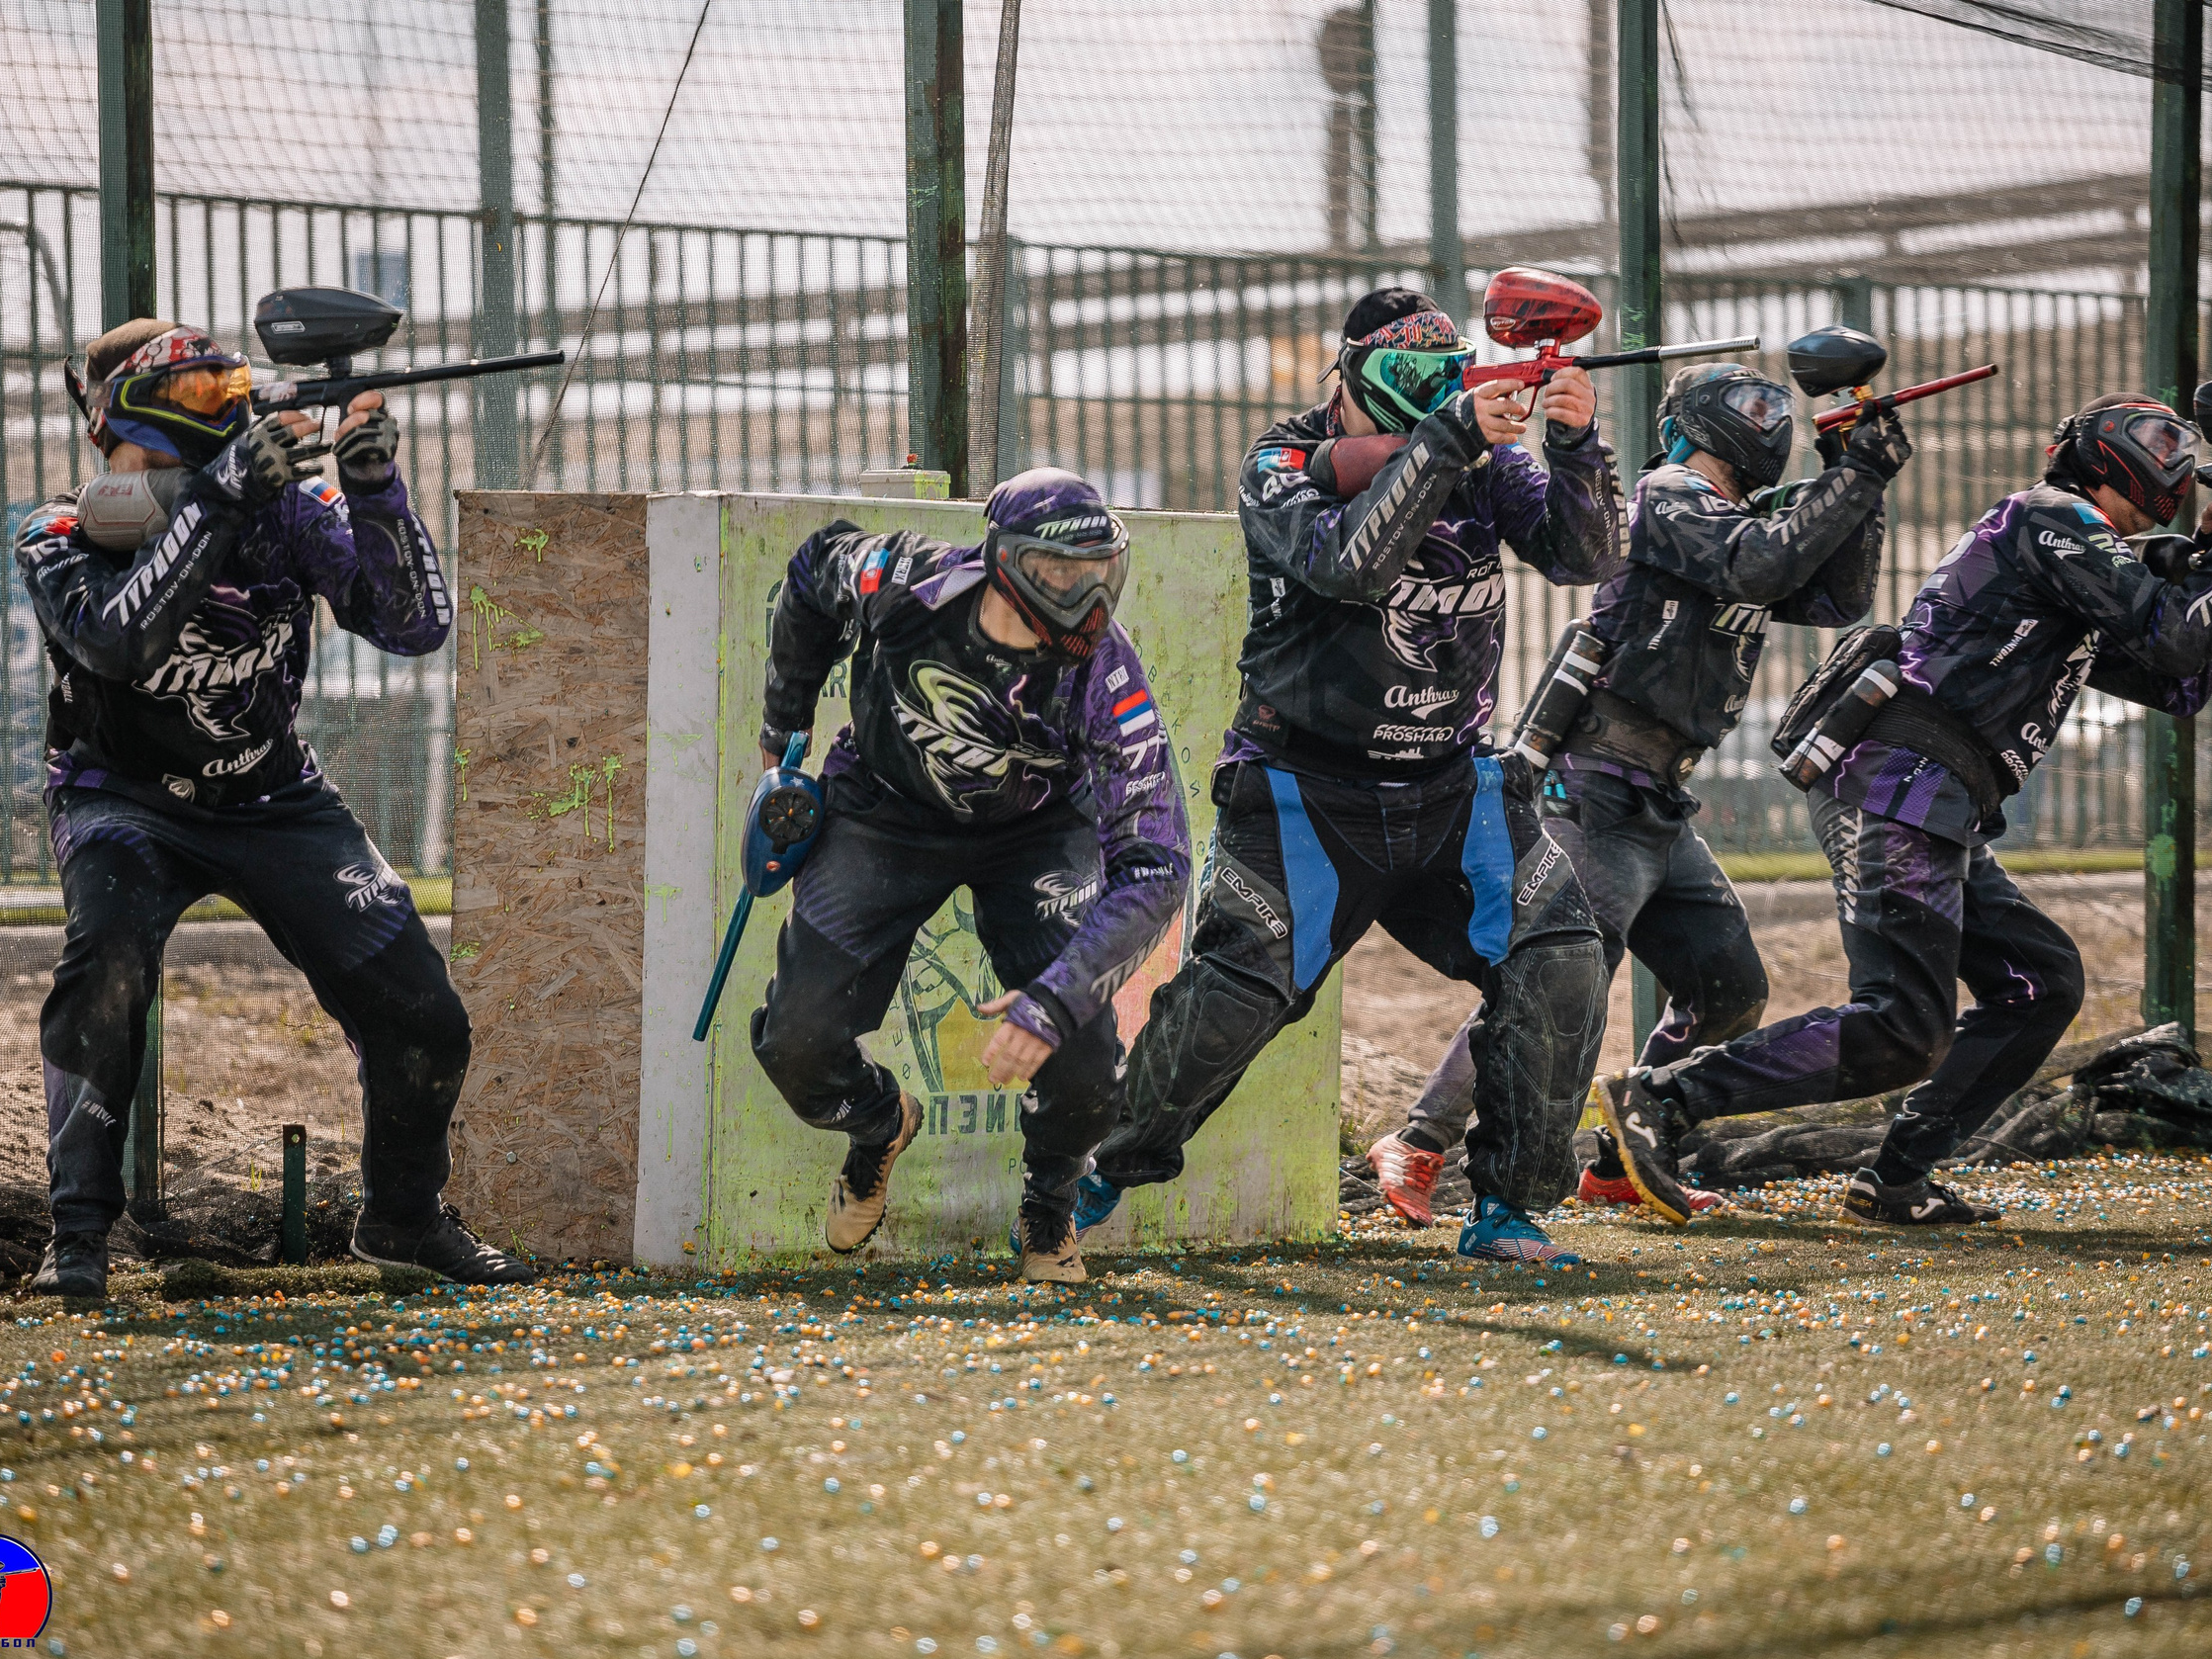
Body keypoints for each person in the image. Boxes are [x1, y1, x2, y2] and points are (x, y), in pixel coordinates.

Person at [1592, 393, 2212, 1226]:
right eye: (2159, 439)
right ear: (2107, 453)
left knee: (2040, 982)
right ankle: (1662, 1096)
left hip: (1937, 801)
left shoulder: (2083, 558)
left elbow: (2179, 673)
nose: (2176, 457)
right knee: (1903, 1025)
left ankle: (1896, 1175)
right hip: (1899, 784)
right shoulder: (2050, 516)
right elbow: (2178, 636)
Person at [1080, 287, 1623, 1266]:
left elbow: (1586, 555)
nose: (1434, 398)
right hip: (1302, 790)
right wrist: (1450, 439)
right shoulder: (1278, 463)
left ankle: (1506, 1209)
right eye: (1412, 382)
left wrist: (1577, 445)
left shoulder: (1481, 463)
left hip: (1452, 790)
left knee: (1560, 961)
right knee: (1231, 1000)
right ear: (1354, 377)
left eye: (1446, 379)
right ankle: (1095, 1168)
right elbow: (1350, 568)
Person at [17, 319, 530, 1297]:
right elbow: (117, 645)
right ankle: (76, 1238)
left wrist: (373, 486)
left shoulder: (284, 509)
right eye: (192, 405)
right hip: (120, 800)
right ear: (114, 430)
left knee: (423, 1010)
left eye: (225, 398)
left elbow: (412, 624)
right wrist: (221, 495)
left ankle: (404, 1224)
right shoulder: (57, 533)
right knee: (106, 962)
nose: (221, 420)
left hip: (272, 791)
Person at [1372, 362, 1912, 1228]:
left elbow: (1837, 593)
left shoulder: (1738, 517)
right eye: (1751, 406)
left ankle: (1626, 1148)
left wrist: (1858, 468)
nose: (1769, 421)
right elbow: (1760, 562)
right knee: (1551, 983)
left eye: (1777, 407)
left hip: (1661, 804)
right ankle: (1420, 1140)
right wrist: (1855, 475)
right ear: (1697, 421)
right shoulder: (1668, 495)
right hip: (1594, 786)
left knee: (1730, 990)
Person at [751, 468, 1191, 1284]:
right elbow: (814, 572)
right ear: (1005, 564)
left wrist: (1057, 999)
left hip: (1037, 830)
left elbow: (1159, 863)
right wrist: (784, 724)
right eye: (1060, 575)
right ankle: (879, 1122)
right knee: (796, 1039)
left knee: (1088, 1059)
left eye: (1099, 575)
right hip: (883, 810)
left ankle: (1048, 1205)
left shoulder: (1107, 676)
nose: (1085, 599)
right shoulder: (906, 580)